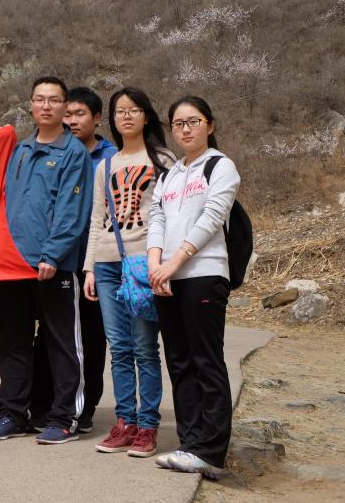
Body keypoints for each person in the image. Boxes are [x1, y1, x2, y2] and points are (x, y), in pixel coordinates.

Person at [0, 77, 93, 445]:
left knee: (61, 343)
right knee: (11, 340)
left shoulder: (73, 153)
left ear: (65, 107)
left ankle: (64, 418)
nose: (46, 106)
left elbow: (72, 210)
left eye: (54, 100)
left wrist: (52, 254)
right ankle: (12, 413)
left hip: (52, 266)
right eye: (40, 99)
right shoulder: (21, 150)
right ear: (31, 105)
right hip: (13, 264)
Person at [148, 96, 240, 478]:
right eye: (178, 123)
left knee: (205, 360)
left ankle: (211, 451)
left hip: (204, 273)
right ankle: (189, 443)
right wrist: (155, 264)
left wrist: (174, 262)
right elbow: (156, 217)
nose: (185, 129)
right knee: (179, 361)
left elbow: (212, 217)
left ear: (210, 125)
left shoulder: (221, 166)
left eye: (193, 121)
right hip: (167, 277)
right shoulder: (168, 174)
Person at [83, 87, 175, 458]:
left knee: (144, 347)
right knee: (119, 348)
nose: (126, 116)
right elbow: (97, 219)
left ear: (146, 115)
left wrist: (163, 263)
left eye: (134, 109)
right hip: (107, 263)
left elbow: (170, 214)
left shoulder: (163, 159)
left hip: (143, 263)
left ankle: (148, 426)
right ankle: (125, 422)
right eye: (120, 111)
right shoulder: (105, 165)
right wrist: (89, 268)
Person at [29, 87, 115, 433]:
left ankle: (85, 406)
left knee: (90, 335)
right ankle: (43, 404)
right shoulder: (52, 151)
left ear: (97, 118)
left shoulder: (110, 158)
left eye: (80, 114)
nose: (72, 121)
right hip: (57, 259)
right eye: (69, 114)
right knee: (48, 335)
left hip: (93, 262)